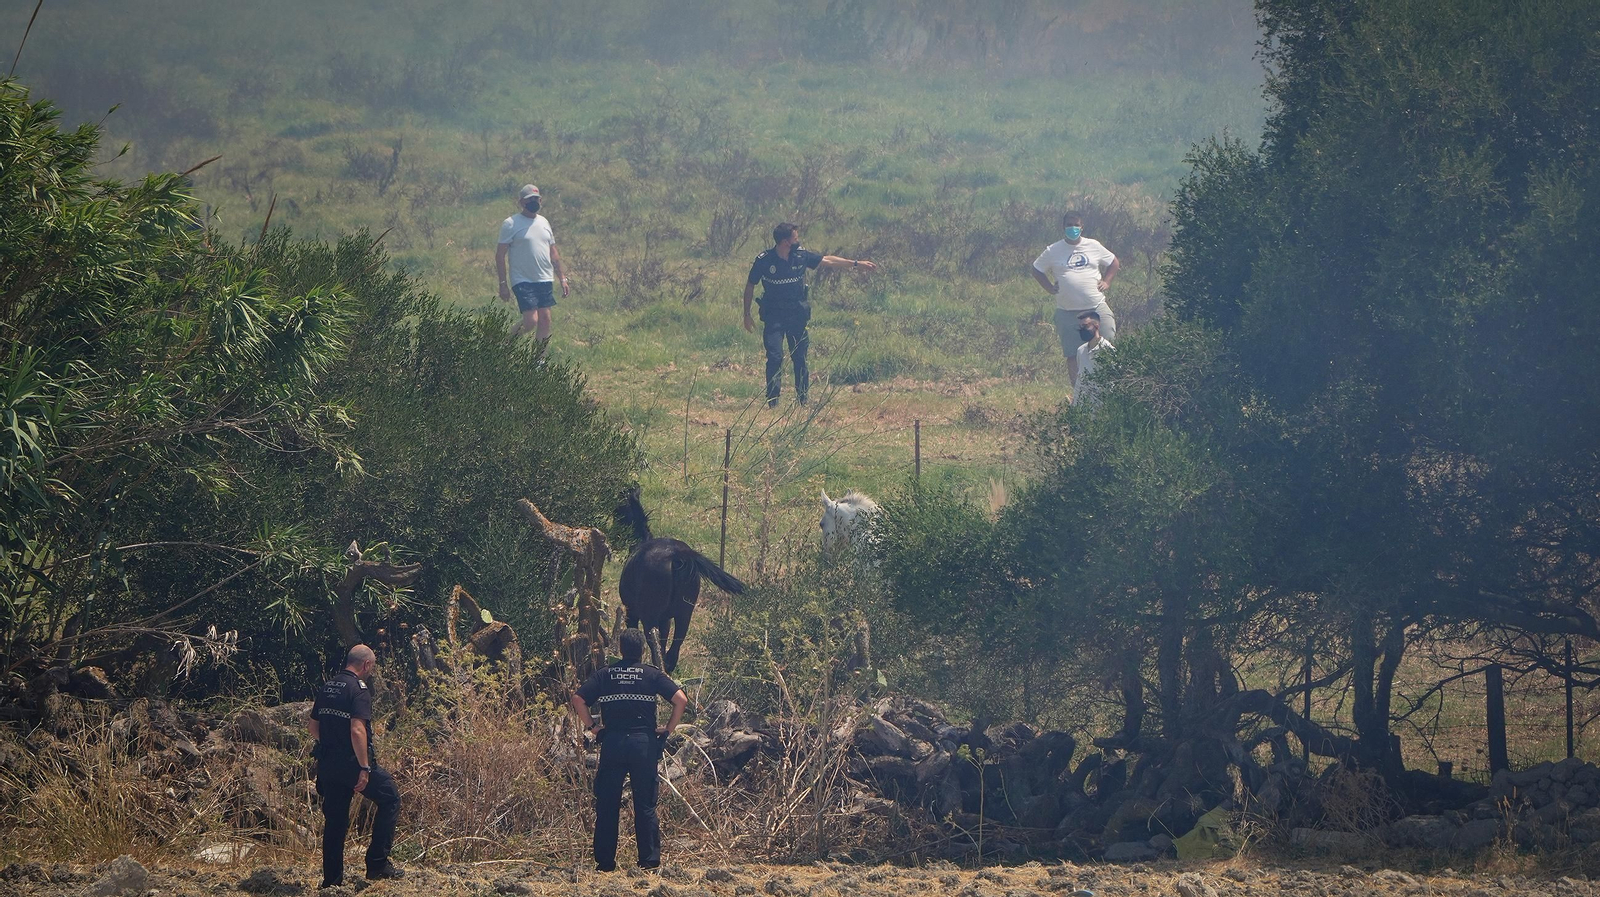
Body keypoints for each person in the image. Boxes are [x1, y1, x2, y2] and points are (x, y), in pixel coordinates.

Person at [571, 628, 689, 872]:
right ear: (643, 649)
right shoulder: (652, 674)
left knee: (607, 803)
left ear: (620, 649)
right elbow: (681, 700)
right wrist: (667, 730)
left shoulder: (605, 675)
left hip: (613, 743)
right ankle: (649, 861)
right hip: (643, 744)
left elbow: (578, 699)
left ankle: (605, 863)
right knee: (645, 804)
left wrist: (593, 727)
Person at [743, 223, 878, 407]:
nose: (798, 241)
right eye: (795, 238)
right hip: (774, 316)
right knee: (774, 357)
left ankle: (802, 400)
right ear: (785, 242)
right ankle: (772, 401)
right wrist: (746, 314)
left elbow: (827, 260)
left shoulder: (800, 256)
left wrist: (855, 264)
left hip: (796, 315)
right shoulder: (764, 260)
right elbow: (750, 285)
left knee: (799, 357)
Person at [309, 645, 403, 888]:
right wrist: (364, 767)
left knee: (335, 821)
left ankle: (331, 882)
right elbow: (357, 729)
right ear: (366, 665)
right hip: (353, 765)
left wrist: (331, 745)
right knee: (390, 797)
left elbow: (313, 727)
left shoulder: (328, 686)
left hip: (328, 764)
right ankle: (377, 864)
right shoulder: (359, 690)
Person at [1030, 212, 1120, 385]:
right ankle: (1079, 394)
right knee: (1073, 354)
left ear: (1082, 227)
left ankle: (1108, 388)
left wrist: (1107, 281)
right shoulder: (1053, 250)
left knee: (1107, 346)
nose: (1073, 228)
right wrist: (1049, 287)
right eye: (1069, 225)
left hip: (1096, 307)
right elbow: (1036, 269)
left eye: (1076, 225)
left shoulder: (1093, 245)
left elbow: (1113, 262)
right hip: (1067, 311)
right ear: (1063, 227)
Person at [496, 184, 569, 340]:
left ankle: (538, 361)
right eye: (530, 199)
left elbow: (553, 252)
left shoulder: (544, 222)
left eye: (536, 199)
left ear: (541, 200)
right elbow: (500, 255)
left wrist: (562, 278)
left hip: (544, 278)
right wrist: (503, 284)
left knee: (545, 319)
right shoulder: (511, 223)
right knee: (531, 321)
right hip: (523, 279)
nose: (534, 202)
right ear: (522, 202)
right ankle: (505, 341)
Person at [1071, 310, 1114, 406]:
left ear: (1097, 326)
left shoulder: (1107, 351)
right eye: (1081, 327)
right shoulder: (1080, 351)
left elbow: (1113, 382)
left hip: (1101, 407)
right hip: (1082, 407)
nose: (1082, 329)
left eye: (1086, 326)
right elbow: (1080, 379)